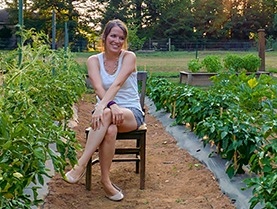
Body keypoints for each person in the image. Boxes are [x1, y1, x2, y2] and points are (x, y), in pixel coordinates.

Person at [64, 19, 144, 202]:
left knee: (106, 116)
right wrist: (110, 105)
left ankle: (80, 165)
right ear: (105, 37)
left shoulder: (129, 57)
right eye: (113, 36)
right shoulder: (94, 60)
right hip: (105, 113)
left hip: (130, 112)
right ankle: (106, 183)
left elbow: (117, 84)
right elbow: (99, 88)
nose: (117, 41)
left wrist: (106, 106)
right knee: (110, 130)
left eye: (121, 38)